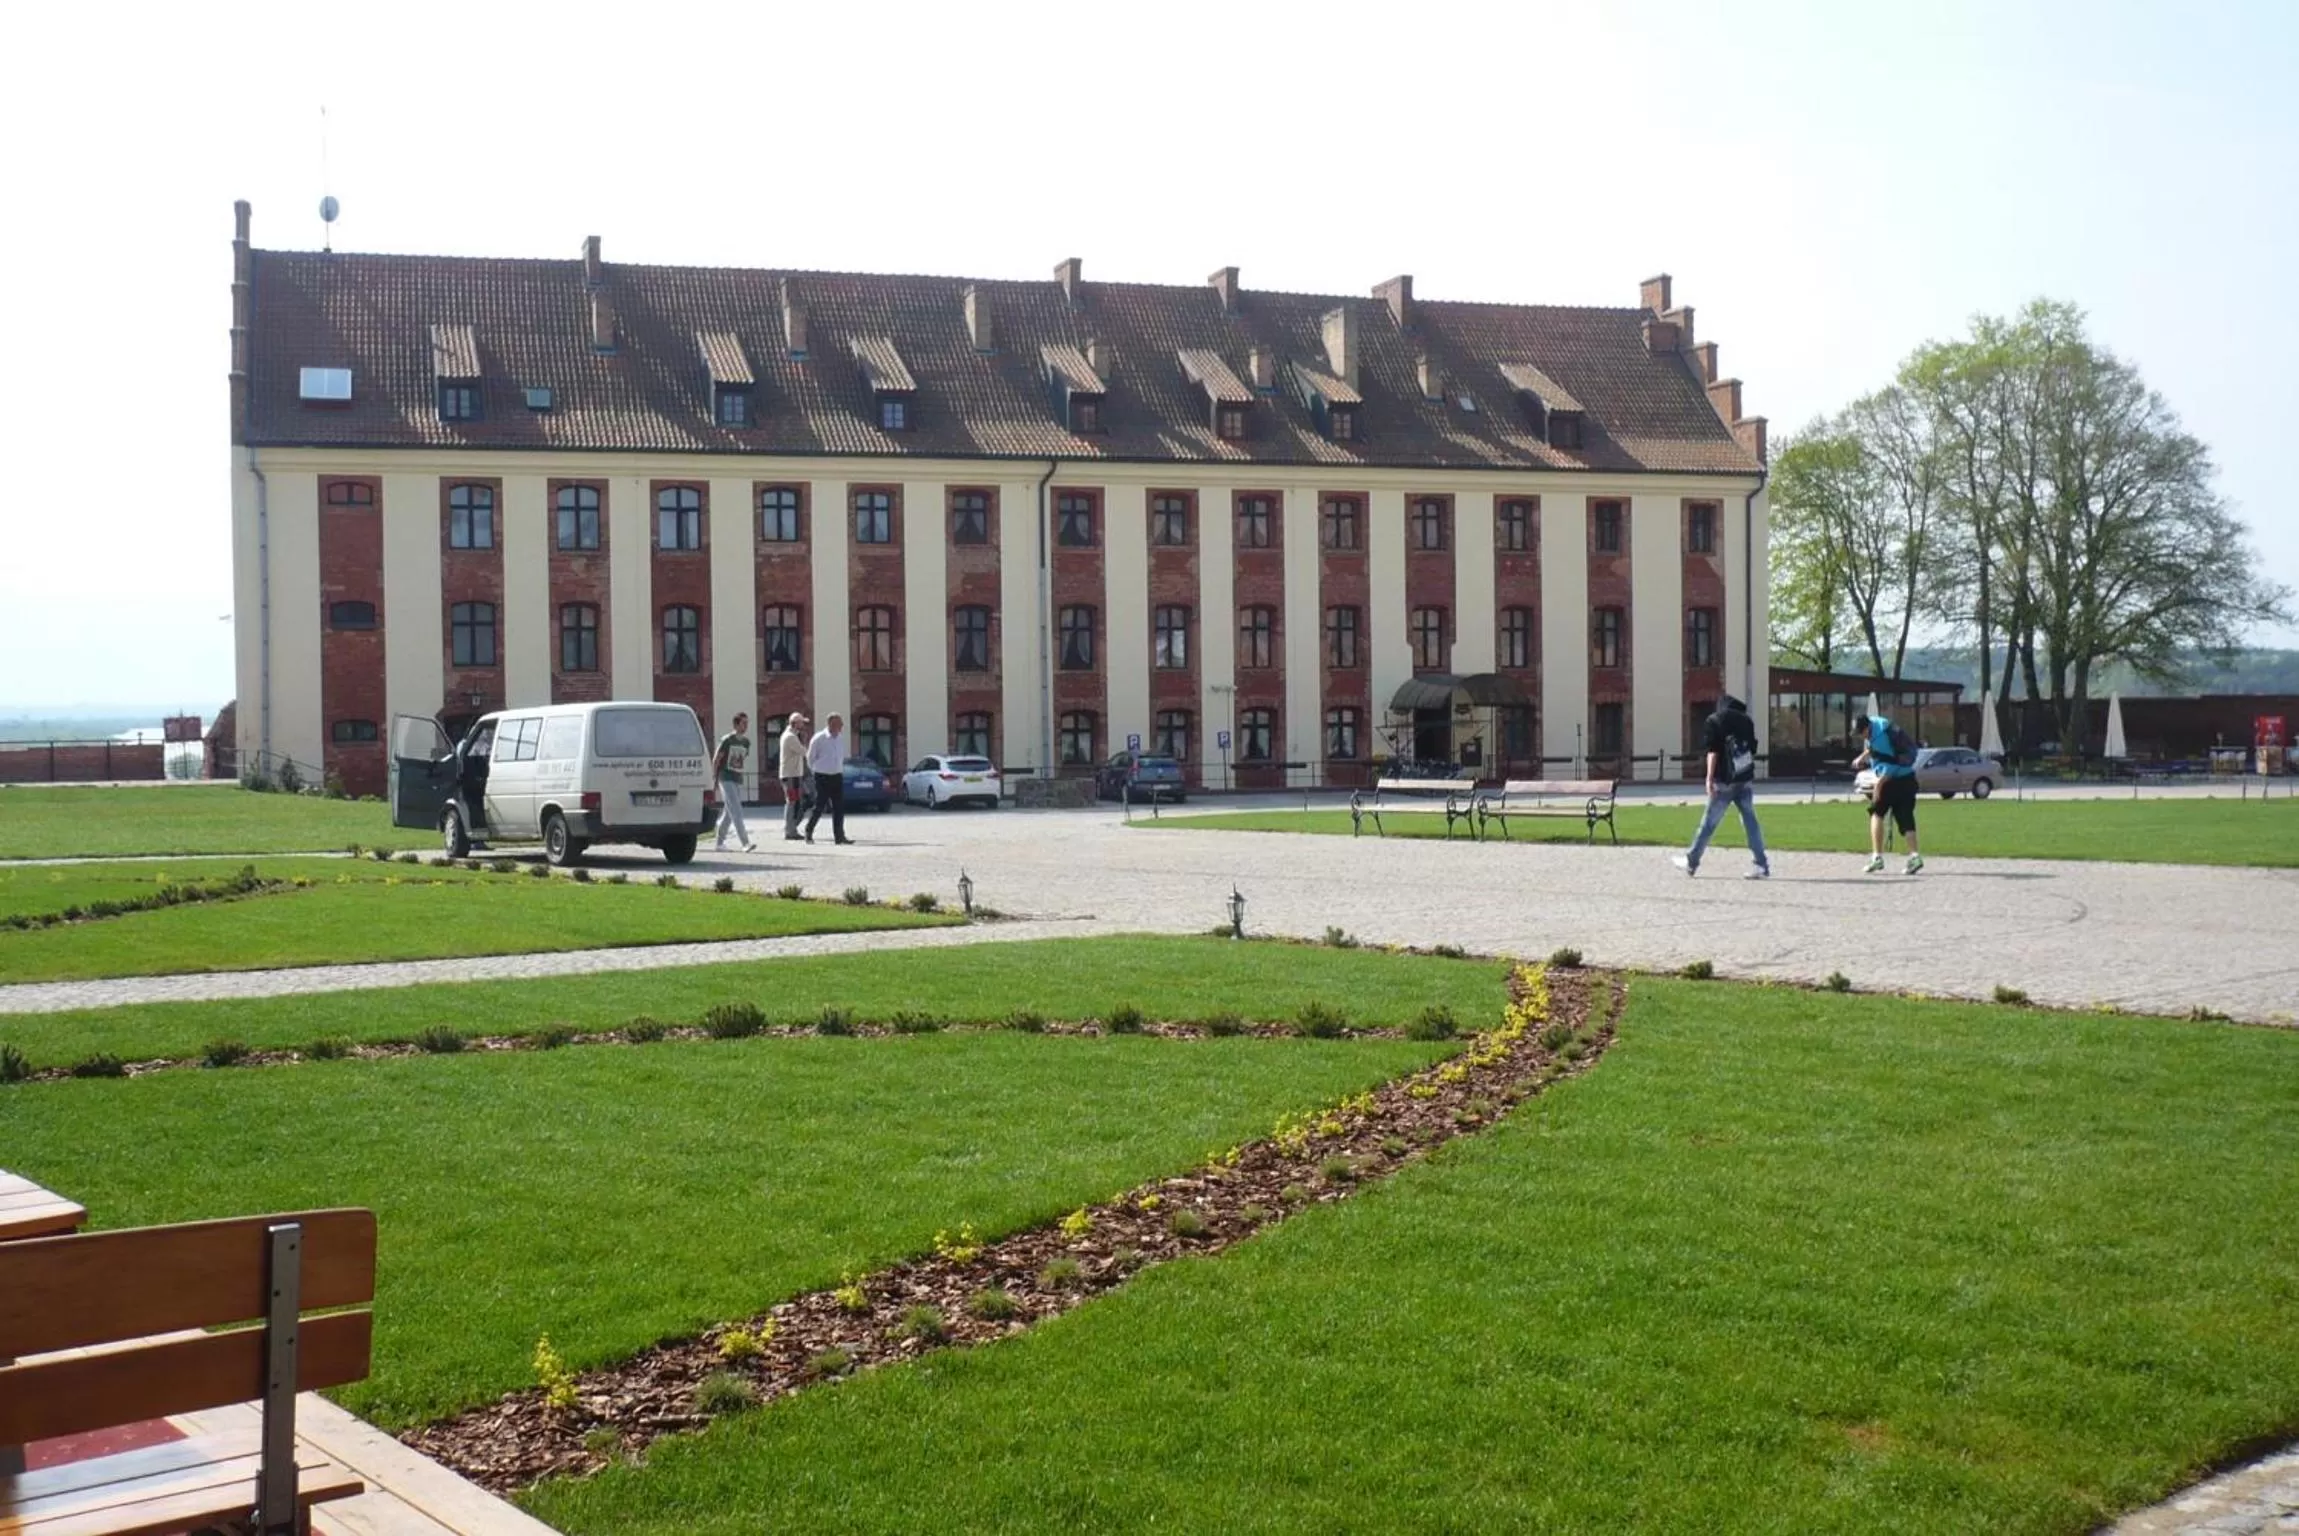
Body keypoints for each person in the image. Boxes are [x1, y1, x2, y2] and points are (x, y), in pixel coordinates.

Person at [1671, 694, 1770, 879]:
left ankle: (1691, 861)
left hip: (1723, 780)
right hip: (1744, 778)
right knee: (1750, 822)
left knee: (1708, 823)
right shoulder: (1747, 721)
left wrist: (1709, 778)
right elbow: (1752, 749)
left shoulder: (1714, 720)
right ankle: (1761, 864)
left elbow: (1713, 751)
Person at [1852, 711, 1924, 874]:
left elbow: (1888, 764)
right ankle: (1915, 856)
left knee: (1876, 813)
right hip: (1908, 779)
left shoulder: (1881, 737)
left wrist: (1879, 784)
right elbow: (1878, 752)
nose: (1860, 737)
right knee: (1906, 818)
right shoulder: (1880, 725)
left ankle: (1877, 857)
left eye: (1861, 733)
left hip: (1891, 780)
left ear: (1867, 728)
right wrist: (1862, 757)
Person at [803, 713, 852, 845]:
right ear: (831, 724)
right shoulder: (819, 738)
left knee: (839, 807)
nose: (842, 726)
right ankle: (808, 832)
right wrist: (816, 770)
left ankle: (839, 836)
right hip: (822, 776)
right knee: (819, 806)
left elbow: (840, 756)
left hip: (837, 775)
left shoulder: (840, 738)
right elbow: (810, 758)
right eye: (839, 723)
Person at [711, 712, 756, 853]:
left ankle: (719, 843)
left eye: (747, 723)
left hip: (737, 778)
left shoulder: (746, 742)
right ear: (736, 724)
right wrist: (713, 777)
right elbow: (717, 759)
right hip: (725, 778)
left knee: (729, 812)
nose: (746, 726)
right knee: (736, 809)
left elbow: (741, 759)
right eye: (743, 723)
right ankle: (745, 843)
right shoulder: (727, 740)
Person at [777, 712, 811, 841]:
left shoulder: (792, 735)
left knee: (796, 801)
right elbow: (804, 752)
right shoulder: (790, 737)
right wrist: (805, 741)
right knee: (792, 801)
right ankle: (790, 830)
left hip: (794, 775)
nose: (803, 725)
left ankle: (791, 828)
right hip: (790, 775)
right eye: (801, 722)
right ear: (795, 723)